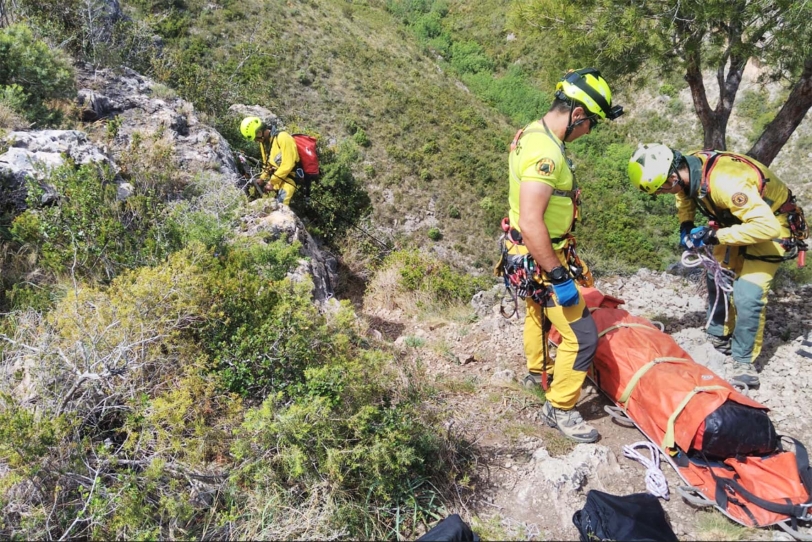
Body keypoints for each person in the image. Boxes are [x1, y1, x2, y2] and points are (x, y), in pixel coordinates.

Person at [506, 68, 624, 442]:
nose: (590, 131)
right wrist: (558, 275)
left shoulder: (531, 132)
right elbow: (532, 220)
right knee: (583, 336)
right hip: (541, 253)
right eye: (591, 123)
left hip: (522, 251)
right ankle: (560, 407)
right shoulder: (547, 155)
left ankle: (536, 371)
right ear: (576, 115)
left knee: (538, 312)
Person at [628, 143, 808, 388]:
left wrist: (715, 237)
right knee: (717, 276)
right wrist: (687, 225)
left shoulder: (727, 184)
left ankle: (743, 360)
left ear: (672, 177)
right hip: (736, 221)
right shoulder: (688, 169)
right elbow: (684, 196)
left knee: (748, 294)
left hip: (770, 224)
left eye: (661, 190)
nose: (661, 195)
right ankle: (719, 334)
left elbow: (767, 228)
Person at [240, 116, 299, 205]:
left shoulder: (283, 138)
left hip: (289, 179)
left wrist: (271, 182)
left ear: (260, 132)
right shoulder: (263, 143)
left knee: (281, 205)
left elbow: (288, 165)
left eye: (256, 138)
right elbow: (267, 164)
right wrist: (262, 178)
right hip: (276, 179)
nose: (256, 141)